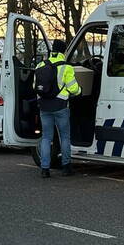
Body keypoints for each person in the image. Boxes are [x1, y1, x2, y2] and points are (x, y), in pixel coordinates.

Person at [34, 39, 82, 178]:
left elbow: (34, 87)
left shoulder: (40, 65)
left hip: (44, 107)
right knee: (65, 137)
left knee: (46, 138)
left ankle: (45, 169)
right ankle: (66, 167)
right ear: (63, 51)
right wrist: (80, 91)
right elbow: (73, 88)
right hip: (61, 107)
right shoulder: (66, 67)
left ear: (53, 50)